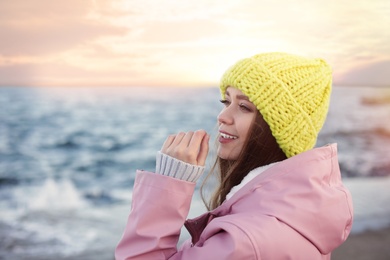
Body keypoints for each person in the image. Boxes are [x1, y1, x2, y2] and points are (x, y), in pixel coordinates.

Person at [115, 52, 354, 259]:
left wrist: (169, 183)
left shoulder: (245, 243)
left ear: (278, 129)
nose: (222, 116)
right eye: (226, 101)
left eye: (244, 107)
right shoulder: (299, 211)